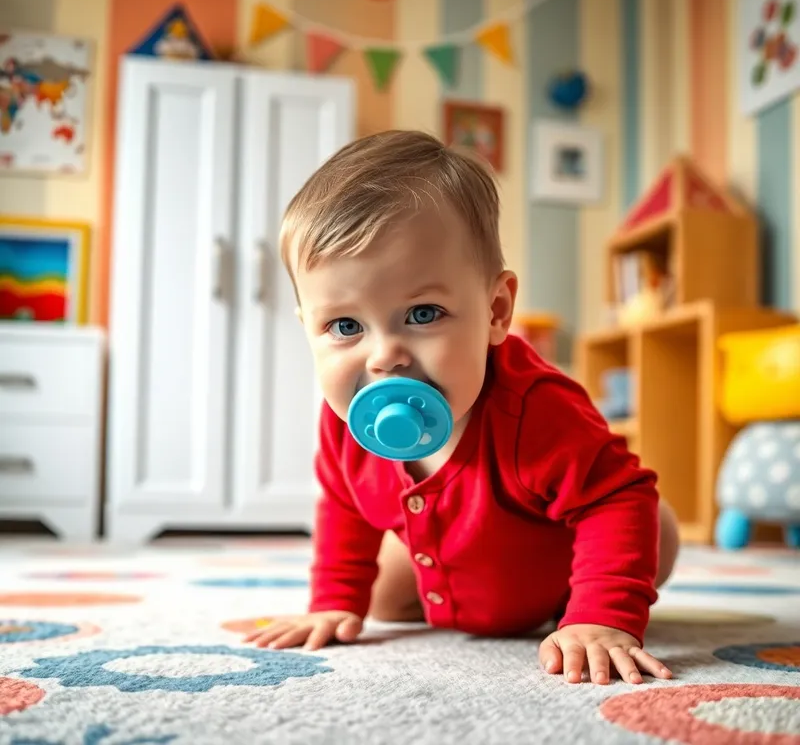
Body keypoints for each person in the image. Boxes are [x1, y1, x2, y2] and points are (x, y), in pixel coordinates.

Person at [244, 130, 679, 686]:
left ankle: (586, 599)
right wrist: (334, 600)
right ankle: (458, 594)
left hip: (557, 569)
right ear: (309, 329)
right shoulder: (346, 423)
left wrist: (600, 616)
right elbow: (345, 503)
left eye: (423, 314)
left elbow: (617, 497)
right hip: (462, 562)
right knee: (377, 597)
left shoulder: (537, 411)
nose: (385, 358)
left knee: (647, 527)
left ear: (496, 310)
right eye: (346, 327)